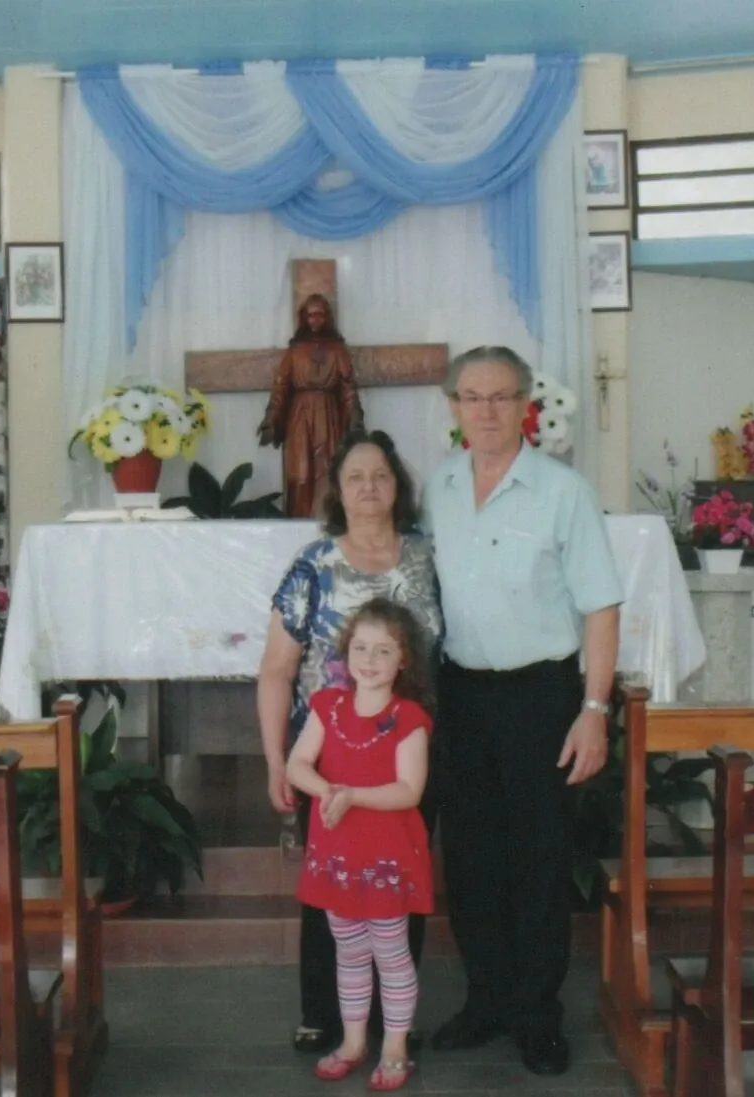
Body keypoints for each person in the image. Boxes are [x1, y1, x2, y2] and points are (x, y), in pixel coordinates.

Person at [421, 346, 623, 1076]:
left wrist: (594, 708)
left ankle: (538, 1013)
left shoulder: (563, 490)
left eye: (501, 397)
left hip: (543, 694)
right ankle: (487, 1002)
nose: (485, 411)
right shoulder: (438, 486)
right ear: (453, 408)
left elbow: (601, 605)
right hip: (463, 696)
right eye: (471, 397)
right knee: (472, 859)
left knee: (537, 858)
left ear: (525, 404)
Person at [258, 430, 442, 1055]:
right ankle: (323, 1013)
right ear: (338, 490)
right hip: (329, 757)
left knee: (400, 881)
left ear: (398, 487)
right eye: (355, 476)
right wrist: (275, 761)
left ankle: (397, 1020)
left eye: (381, 476)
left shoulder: (427, 557)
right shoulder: (313, 565)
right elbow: (277, 671)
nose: (368, 487)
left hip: (407, 751)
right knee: (328, 883)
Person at [286, 598, 433, 1092]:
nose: (369, 659)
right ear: (346, 652)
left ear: (403, 660)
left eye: (384, 650)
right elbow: (297, 763)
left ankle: (395, 1045)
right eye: (361, 647)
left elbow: (409, 790)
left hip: (384, 854)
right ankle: (353, 1042)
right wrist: (328, 791)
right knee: (348, 950)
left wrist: (353, 797)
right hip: (338, 855)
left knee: (390, 951)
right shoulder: (327, 706)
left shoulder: (408, 719)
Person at [258, 294, 364, 520]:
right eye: (311, 315)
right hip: (300, 418)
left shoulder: (337, 351)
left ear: (327, 317)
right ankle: (299, 520)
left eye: (320, 315)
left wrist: (355, 418)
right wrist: (272, 418)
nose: (315, 320)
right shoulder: (295, 352)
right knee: (301, 473)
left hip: (329, 417)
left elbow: (348, 387)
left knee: (328, 470)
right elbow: (281, 387)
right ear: (304, 319)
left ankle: (329, 522)